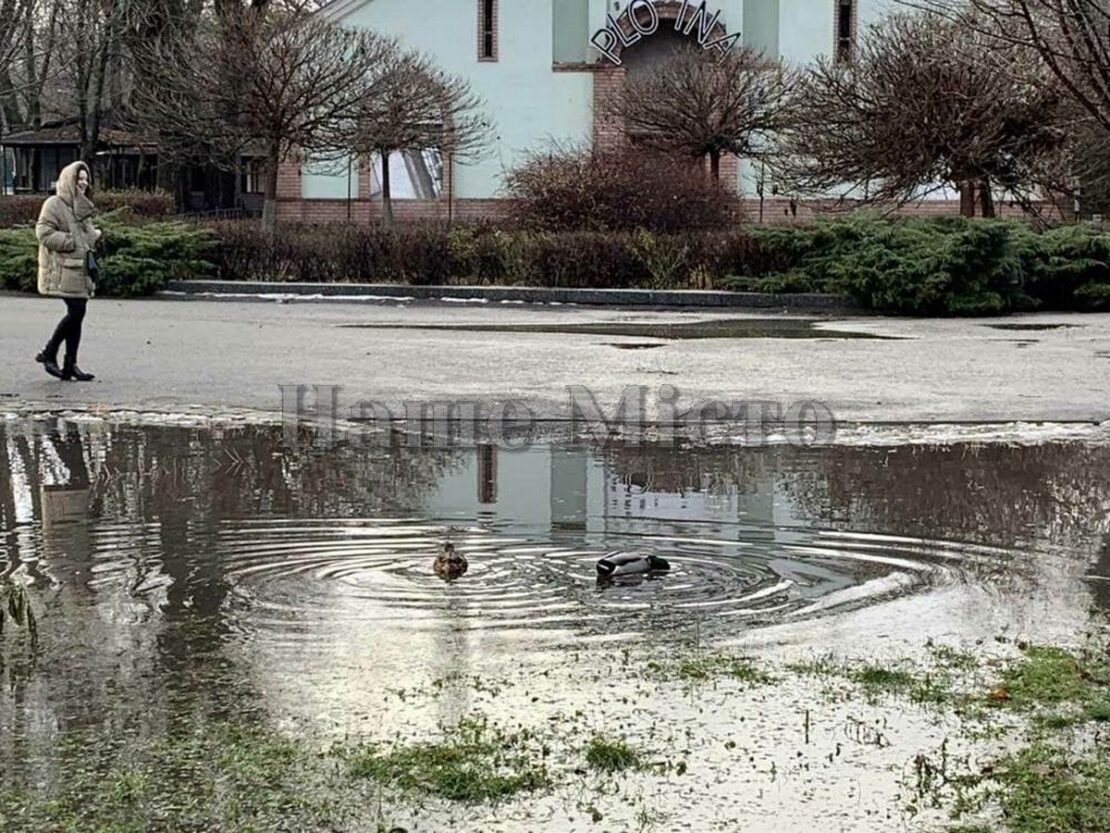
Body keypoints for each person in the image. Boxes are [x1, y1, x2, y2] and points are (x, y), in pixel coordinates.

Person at [34, 160, 101, 382]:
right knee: (76, 311)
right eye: (79, 179)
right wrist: (71, 241)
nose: (83, 183)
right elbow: (43, 232)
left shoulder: (82, 205)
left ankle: (69, 364)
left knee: (78, 314)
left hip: (80, 267)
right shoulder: (54, 203)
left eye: (85, 179)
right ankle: (50, 353)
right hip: (63, 267)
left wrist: (94, 235)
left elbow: (86, 235)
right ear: (68, 180)